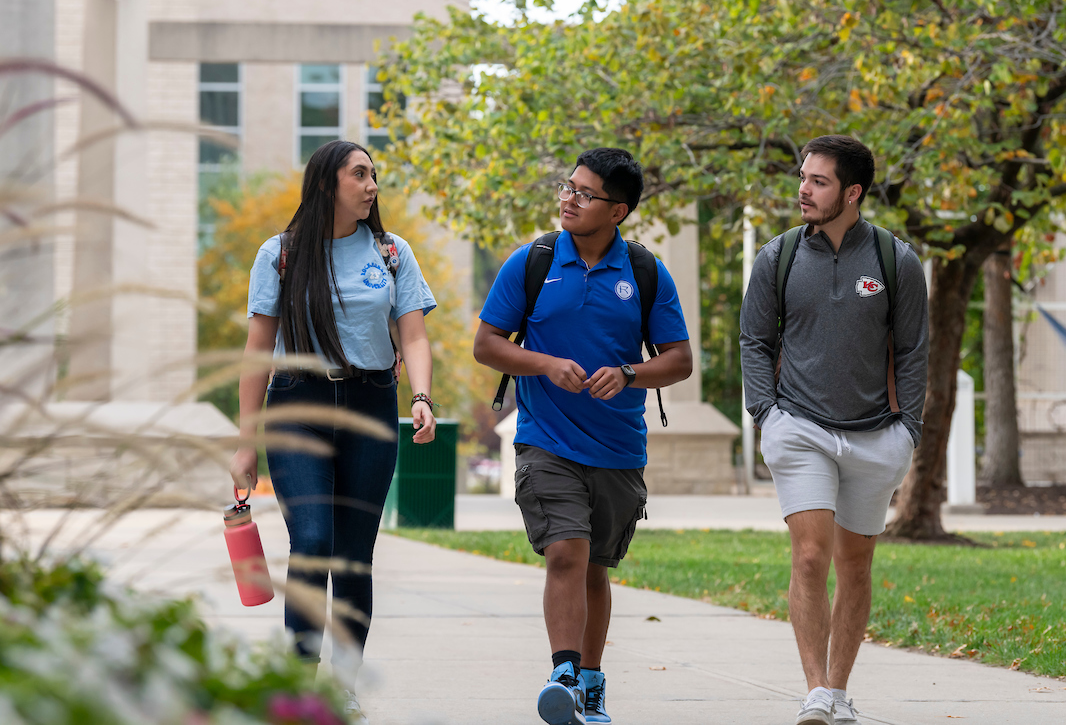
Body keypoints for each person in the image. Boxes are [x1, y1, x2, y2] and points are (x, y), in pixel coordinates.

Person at [474, 147, 692, 725]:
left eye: (585, 193)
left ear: (617, 211)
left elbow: (679, 360)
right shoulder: (534, 261)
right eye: (568, 187)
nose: (569, 199)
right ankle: (564, 673)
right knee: (565, 553)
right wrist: (544, 365)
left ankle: (592, 682)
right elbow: (487, 344)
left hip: (619, 447)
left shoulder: (645, 273)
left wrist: (627, 374)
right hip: (546, 439)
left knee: (596, 568)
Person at [229, 140, 437, 725]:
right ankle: (298, 688)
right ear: (327, 185)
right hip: (299, 404)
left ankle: (341, 684)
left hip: (371, 403)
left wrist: (420, 396)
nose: (372, 185)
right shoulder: (282, 255)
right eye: (360, 174)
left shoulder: (392, 253)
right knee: (313, 541)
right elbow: (257, 353)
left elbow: (414, 336)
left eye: (374, 175)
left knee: (352, 556)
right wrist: (246, 441)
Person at [739, 135, 929, 725]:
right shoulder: (779, 257)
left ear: (852, 193)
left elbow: (915, 351)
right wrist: (766, 415)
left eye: (818, 182)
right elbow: (754, 341)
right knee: (810, 556)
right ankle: (816, 690)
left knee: (855, 563)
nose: (803, 189)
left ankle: (840, 690)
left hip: (877, 435)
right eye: (803, 177)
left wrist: (909, 431)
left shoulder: (897, 262)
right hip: (799, 427)